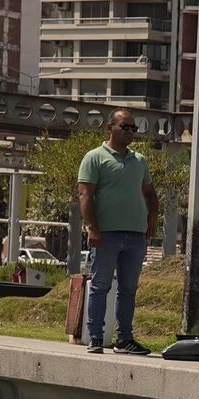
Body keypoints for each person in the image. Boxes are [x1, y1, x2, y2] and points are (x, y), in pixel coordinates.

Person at [76, 109, 158, 356]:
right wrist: (92, 228)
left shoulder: (140, 161)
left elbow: (150, 194)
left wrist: (151, 220)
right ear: (109, 127)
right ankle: (96, 337)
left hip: (135, 235)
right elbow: (85, 194)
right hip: (106, 234)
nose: (130, 132)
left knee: (128, 289)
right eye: (125, 127)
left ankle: (125, 339)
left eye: (134, 128)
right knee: (100, 285)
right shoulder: (94, 157)